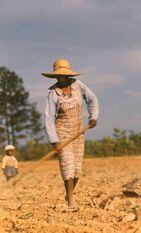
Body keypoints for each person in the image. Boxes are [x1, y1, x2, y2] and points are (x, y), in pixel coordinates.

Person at [43, 58, 99, 210]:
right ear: (55, 76)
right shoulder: (52, 93)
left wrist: (93, 116)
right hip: (62, 131)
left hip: (79, 131)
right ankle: (71, 201)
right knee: (67, 164)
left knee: (77, 168)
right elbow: (49, 117)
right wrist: (54, 140)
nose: (61, 78)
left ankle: (70, 193)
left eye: (64, 75)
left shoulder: (78, 85)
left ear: (68, 75)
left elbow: (92, 99)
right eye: (58, 75)